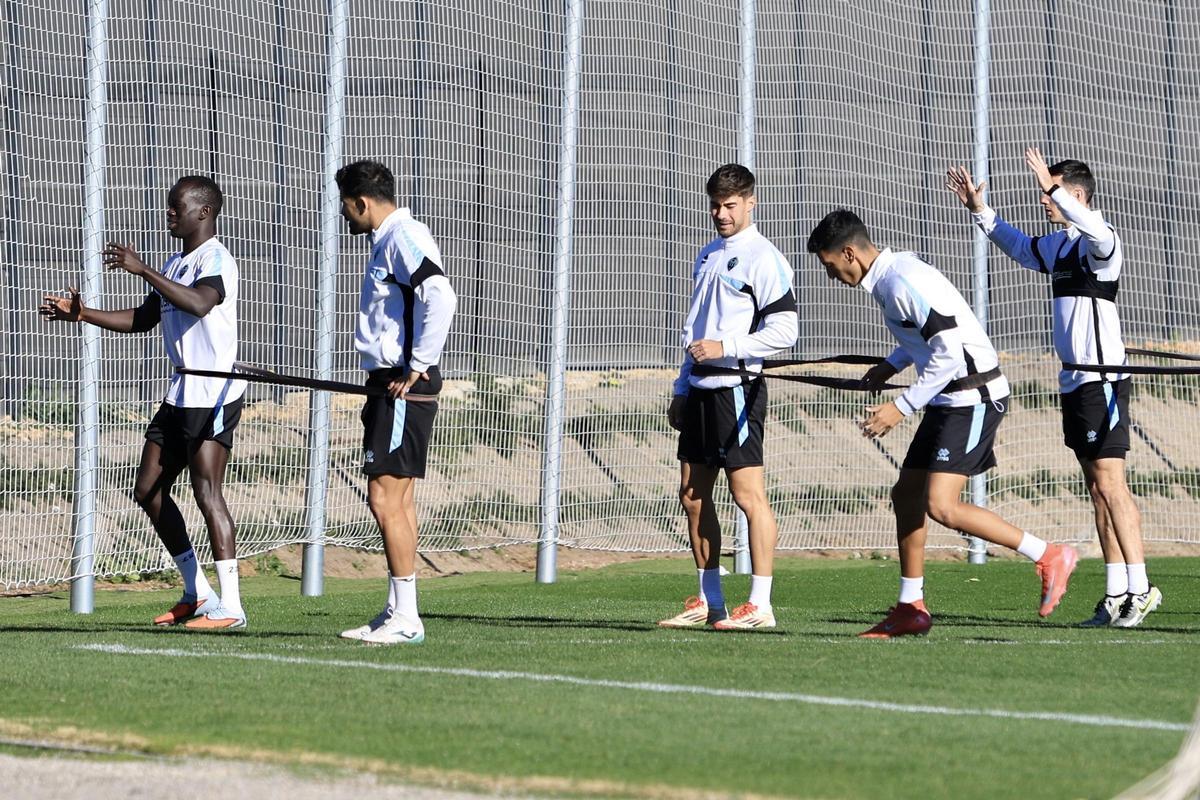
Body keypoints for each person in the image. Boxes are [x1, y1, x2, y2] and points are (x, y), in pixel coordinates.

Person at [806, 208, 1078, 638]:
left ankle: (1049, 554)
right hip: (949, 398)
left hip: (973, 396)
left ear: (849, 254)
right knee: (906, 494)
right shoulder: (891, 275)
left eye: (829, 265)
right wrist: (890, 365)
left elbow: (949, 352)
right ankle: (910, 607)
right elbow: (925, 336)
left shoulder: (899, 281)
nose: (831, 276)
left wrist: (901, 406)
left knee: (942, 506)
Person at [947, 149, 1161, 628]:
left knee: (1112, 484)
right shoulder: (1061, 246)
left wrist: (1051, 184)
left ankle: (1142, 587)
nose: (1045, 201)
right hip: (1074, 382)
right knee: (1097, 488)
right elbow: (1022, 248)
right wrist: (981, 212)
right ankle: (1116, 594)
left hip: (1102, 379)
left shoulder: (1101, 243)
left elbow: (1094, 228)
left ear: (1076, 195)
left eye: (1054, 193)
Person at [39, 176, 248, 630]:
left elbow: (200, 303)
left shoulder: (217, 259)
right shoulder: (175, 262)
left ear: (203, 212)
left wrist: (143, 269)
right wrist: (82, 314)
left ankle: (232, 607)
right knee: (148, 490)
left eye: (177, 207)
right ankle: (198, 592)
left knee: (206, 492)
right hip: (181, 390)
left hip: (212, 392)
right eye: (169, 206)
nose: (169, 213)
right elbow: (143, 318)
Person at [659, 163, 798, 631]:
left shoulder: (764, 257)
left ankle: (760, 605)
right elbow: (695, 330)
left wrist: (726, 347)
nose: (721, 214)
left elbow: (786, 331)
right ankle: (709, 601)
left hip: (737, 389)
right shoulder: (708, 254)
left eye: (731, 205)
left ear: (751, 203)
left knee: (747, 495)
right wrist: (682, 388)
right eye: (716, 205)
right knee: (692, 495)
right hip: (700, 389)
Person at [334, 160, 456, 646]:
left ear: (362, 202)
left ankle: (407, 618)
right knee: (398, 499)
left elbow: (440, 295)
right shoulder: (387, 240)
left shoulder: (403, 236)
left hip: (402, 384)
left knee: (384, 498)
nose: (344, 214)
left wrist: (418, 364)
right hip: (388, 383)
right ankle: (397, 610)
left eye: (345, 205)